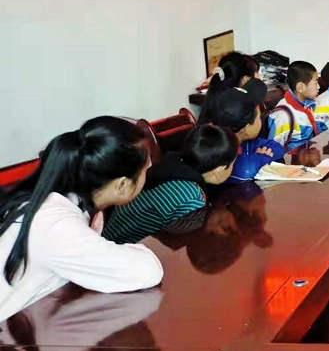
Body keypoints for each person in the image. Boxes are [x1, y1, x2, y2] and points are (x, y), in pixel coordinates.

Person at [0, 117, 164, 320]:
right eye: (145, 170)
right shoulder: (56, 225)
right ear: (122, 185)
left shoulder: (67, 203)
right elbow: (147, 271)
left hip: (30, 321)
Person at [103, 125, 238, 244]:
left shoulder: (171, 163)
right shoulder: (192, 196)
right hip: (122, 249)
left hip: (109, 233)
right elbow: (183, 239)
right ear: (219, 169)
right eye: (233, 163)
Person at [202, 78, 285, 183]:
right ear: (247, 126)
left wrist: (257, 158)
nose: (260, 120)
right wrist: (262, 157)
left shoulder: (246, 143)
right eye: (259, 117)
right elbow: (246, 172)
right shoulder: (220, 157)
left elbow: (278, 148)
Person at [267, 60, 322, 152]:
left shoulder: (309, 105)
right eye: (316, 83)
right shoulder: (283, 116)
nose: (319, 87)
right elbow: (273, 152)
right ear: (300, 87)